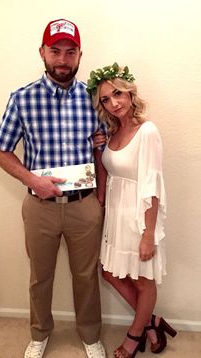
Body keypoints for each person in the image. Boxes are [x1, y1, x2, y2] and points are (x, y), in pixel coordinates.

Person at [0, 19, 107, 358]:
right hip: (39, 206)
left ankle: (90, 336)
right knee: (39, 277)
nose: (62, 59)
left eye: (70, 52)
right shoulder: (22, 99)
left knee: (86, 276)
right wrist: (33, 180)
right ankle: (39, 333)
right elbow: (0, 151)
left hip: (84, 204)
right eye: (55, 51)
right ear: (42, 52)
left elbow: (104, 146)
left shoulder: (93, 98)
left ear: (79, 55)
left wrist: (100, 198)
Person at [87, 63, 177, 358]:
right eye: (105, 99)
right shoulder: (112, 133)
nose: (114, 102)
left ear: (129, 93)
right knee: (110, 273)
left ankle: (134, 335)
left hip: (138, 216)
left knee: (142, 279)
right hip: (116, 215)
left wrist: (148, 233)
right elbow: (110, 174)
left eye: (117, 94)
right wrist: (99, 150)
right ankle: (152, 320)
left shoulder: (147, 131)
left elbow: (151, 185)